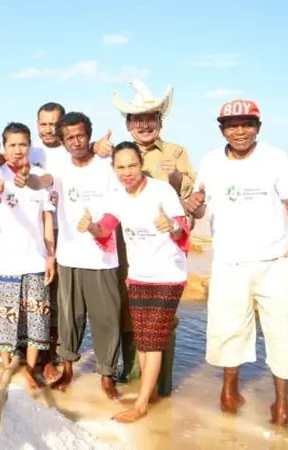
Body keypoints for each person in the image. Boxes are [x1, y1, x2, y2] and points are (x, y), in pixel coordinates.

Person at [185, 99, 288, 426]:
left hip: (272, 261)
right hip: (229, 262)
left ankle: (280, 404)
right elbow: (200, 207)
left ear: (258, 127)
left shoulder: (276, 158)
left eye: (246, 124)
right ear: (222, 130)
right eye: (232, 125)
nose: (239, 131)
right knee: (229, 330)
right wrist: (193, 204)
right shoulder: (212, 161)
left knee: (281, 330)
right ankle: (229, 393)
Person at [94, 79, 196, 395]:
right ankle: (134, 376)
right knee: (129, 313)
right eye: (137, 120)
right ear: (128, 125)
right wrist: (97, 151)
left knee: (164, 322)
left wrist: (177, 179)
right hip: (127, 244)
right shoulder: (118, 155)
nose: (145, 125)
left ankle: (161, 384)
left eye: (150, 119)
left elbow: (191, 199)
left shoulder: (176, 152)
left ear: (160, 121)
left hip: (166, 244)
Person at [83, 142, 189, 422]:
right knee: (143, 339)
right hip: (139, 275)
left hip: (168, 274)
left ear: (141, 162)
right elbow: (105, 227)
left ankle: (141, 405)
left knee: (152, 341)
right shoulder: (117, 196)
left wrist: (172, 226)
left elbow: (182, 229)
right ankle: (150, 393)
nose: (127, 172)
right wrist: (91, 226)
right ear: (113, 169)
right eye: (121, 167)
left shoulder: (161, 190)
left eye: (132, 165)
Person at [0, 102, 66, 385]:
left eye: (23, 144)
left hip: (34, 260)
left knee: (37, 319)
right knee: (3, 320)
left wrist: (50, 256)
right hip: (3, 263)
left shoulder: (40, 177)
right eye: (12, 145)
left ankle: (30, 369)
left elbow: (47, 220)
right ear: (4, 148)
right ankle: (7, 366)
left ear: (30, 147)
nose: (18, 150)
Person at [52, 112, 122, 398]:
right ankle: (67, 370)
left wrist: (97, 228)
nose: (76, 141)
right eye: (69, 137)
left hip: (102, 257)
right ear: (63, 141)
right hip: (68, 256)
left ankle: (107, 375)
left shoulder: (107, 166)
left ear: (89, 134)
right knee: (69, 318)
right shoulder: (58, 169)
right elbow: (39, 181)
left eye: (81, 135)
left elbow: (117, 206)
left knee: (106, 318)